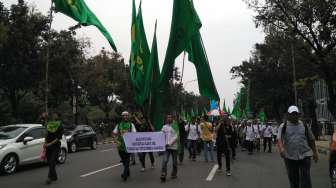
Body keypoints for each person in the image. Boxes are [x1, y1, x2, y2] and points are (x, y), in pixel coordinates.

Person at [277, 106, 318, 188]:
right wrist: (281, 149)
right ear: (288, 115)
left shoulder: (304, 125)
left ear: (298, 115)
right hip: (290, 157)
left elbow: (311, 139)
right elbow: (279, 139)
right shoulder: (283, 126)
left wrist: (315, 152)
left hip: (305, 155)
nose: (294, 116)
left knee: (306, 179)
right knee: (293, 179)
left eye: (295, 114)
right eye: (292, 114)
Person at [113, 111, 137, 181]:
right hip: (120, 146)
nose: (125, 117)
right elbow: (114, 133)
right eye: (124, 115)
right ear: (122, 117)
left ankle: (124, 174)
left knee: (127, 160)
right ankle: (127, 171)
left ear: (128, 116)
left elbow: (134, 133)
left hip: (128, 146)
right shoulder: (118, 125)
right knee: (124, 161)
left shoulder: (131, 125)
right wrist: (116, 141)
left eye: (126, 115)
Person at [44, 112, 64, 185]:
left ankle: (49, 178)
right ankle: (54, 176)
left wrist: (50, 143)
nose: (54, 115)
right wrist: (45, 143)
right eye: (53, 114)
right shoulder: (50, 124)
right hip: (48, 146)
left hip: (55, 147)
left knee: (52, 161)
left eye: (55, 114)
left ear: (58, 116)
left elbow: (59, 137)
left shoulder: (60, 125)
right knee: (49, 162)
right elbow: (46, 134)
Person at [160, 114, 178, 182]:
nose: (169, 118)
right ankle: (163, 174)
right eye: (168, 117)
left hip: (174, 147)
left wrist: (169, 143)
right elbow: (160, 135)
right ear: (166, 119)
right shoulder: (164, 127)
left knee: (174, 162)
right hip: (166, 148)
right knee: (164, 161)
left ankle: (174, 173)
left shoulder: (175, 126)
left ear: (172, 118)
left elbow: (176, 136)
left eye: (170, 117)